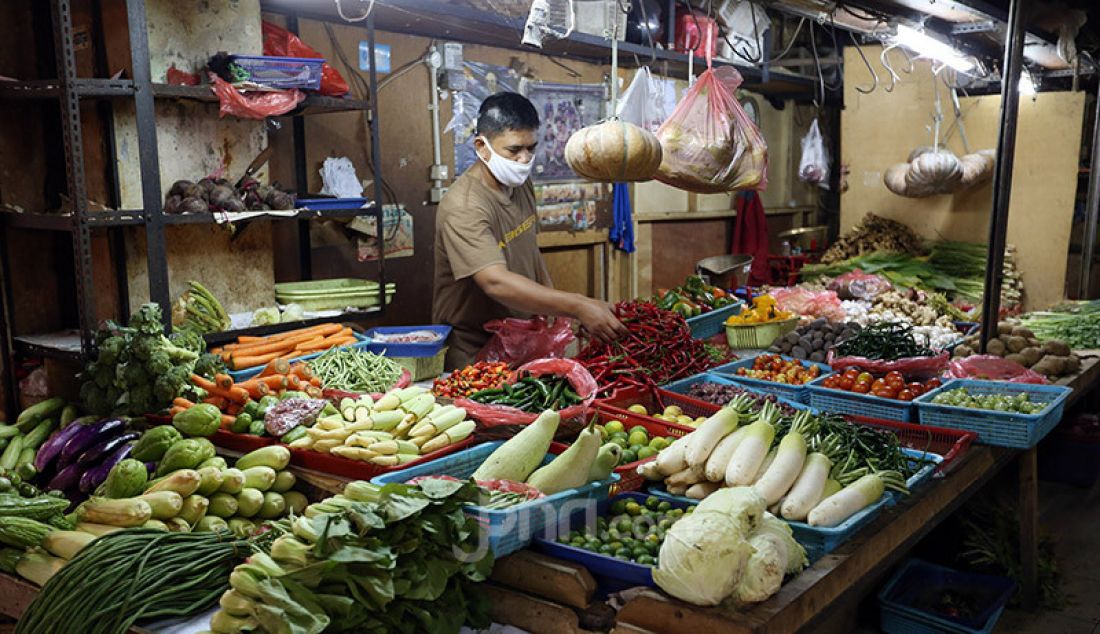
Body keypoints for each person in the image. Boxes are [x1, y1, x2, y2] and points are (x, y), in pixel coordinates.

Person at [433, 92, 627, 369]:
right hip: (475, 352)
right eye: (514, 150)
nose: (524, 159)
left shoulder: (518, 182)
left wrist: (557, 317)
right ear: (481, 146)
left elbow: (530, 252)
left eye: (531, 148)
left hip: (521, 341)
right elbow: (495, 281)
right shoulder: (464, 206)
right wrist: (578, 305)